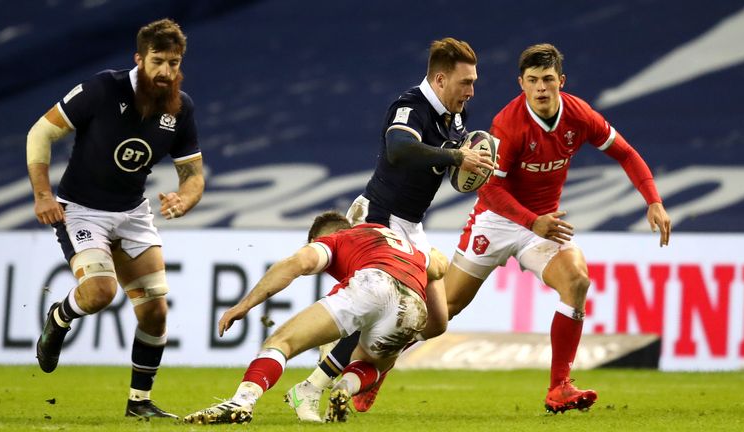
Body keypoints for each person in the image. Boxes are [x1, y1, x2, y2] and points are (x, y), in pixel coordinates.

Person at [432, 43, 672, 413]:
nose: (541, 88)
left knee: (577, 281)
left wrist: (653, 199)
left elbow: (625, 152)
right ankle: (371, 371)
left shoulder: (579, 116)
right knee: (443, 311)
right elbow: (491, 190)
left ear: (561, 80)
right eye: (532, 81)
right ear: (521, 84)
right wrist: (532, 221)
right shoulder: (508, 124)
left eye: (547, 79)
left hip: (543, 224)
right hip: (498, 220)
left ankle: (560, 386)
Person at [284, 37, 496, 420]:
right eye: (466, 82)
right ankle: (311, 387)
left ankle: (357, 365)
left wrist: (469, 163)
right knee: (374, 312)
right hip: (379, 219)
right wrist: (456, 155)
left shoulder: (456, 116)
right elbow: (398, 149)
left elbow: (446, 164)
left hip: (410, 224)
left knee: (435, 322)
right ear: (441, 79)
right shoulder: (410, 106)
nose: (472, 91)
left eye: (474, 82)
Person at [27, 18, 204, 418]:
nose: (165, 72)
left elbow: (193, 175)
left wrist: (186, 198)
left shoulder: (180, 108)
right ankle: (59, 318)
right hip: (82, 209)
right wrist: (42, 195)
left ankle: (139, 404)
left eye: (173, 63)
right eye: (157, 61)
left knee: (156, 311)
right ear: (138, 59)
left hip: (132, 212)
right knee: (99, 293)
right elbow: (39, 133)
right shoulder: (102, 88)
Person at [183, 211, 448, 424]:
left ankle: (242, 400)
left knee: (281, 342)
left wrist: (245, 304)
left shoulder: (335, 240)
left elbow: (297, 264)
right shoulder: (392, 239)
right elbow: (438, 266)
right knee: (372, 365)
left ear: (319, 238)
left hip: (373, 284)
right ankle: (343, 386)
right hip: (414, 305)